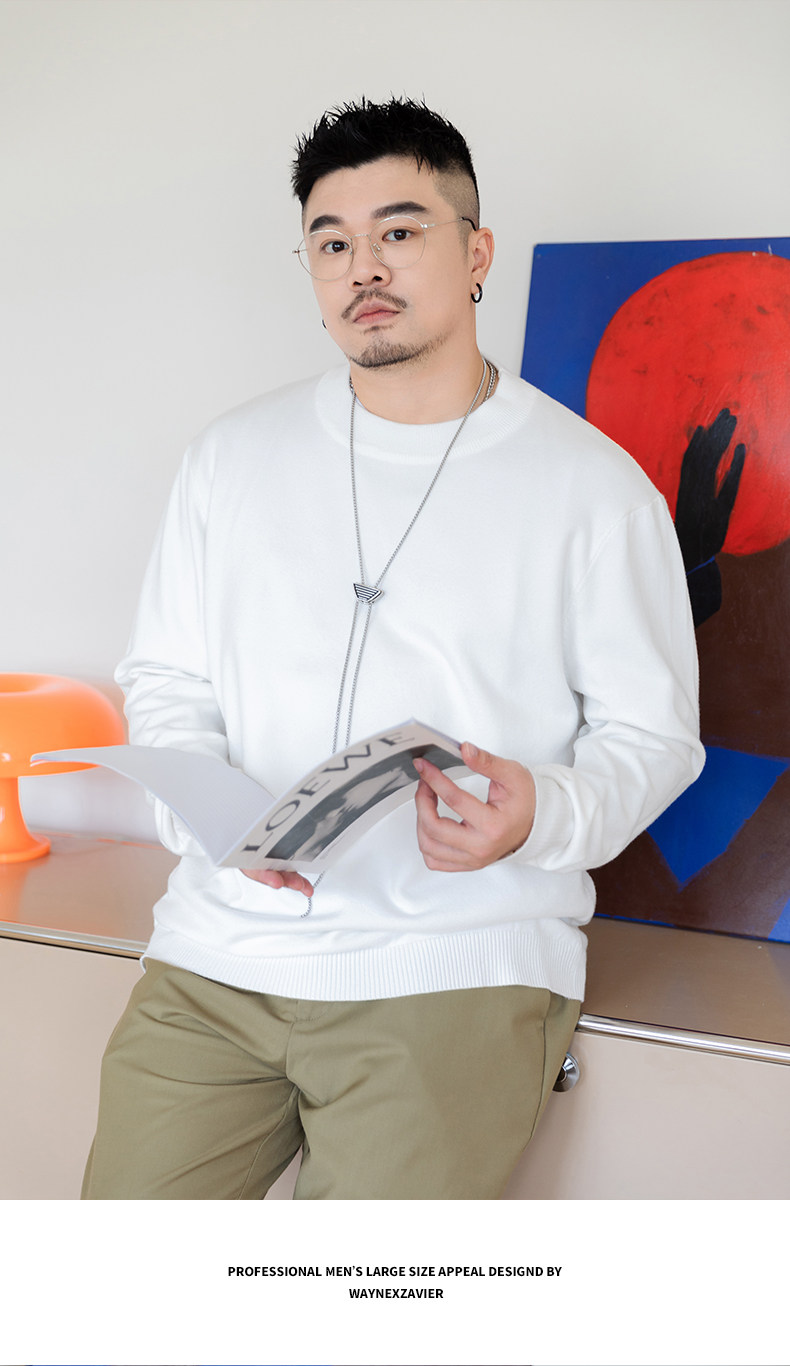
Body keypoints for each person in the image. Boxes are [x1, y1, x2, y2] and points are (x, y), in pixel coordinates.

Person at [82, 97, 704, 1200]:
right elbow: (168, 678)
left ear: (477, 254)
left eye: (400, 231)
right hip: (217, 958)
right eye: (331, 243)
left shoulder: (594, 489)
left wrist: (541, 813)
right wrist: (213, 821)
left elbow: (652, 738)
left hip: (455, 972)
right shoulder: (230, 457)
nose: (362, 266)